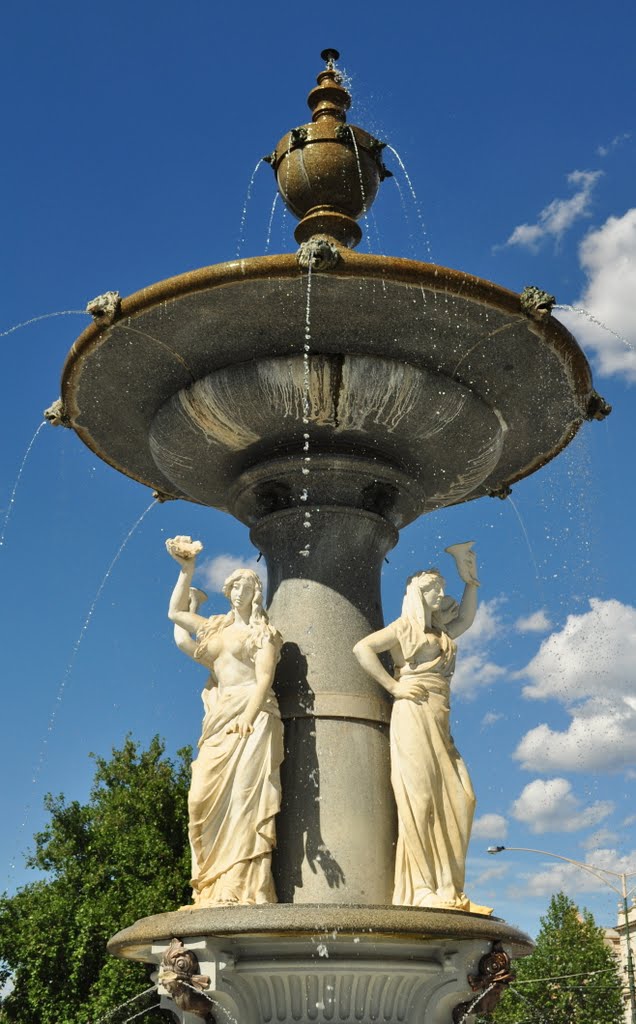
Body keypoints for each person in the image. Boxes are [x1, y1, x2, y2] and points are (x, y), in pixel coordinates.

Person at [353, 543, 492, 915]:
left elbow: (465, 619)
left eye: (442, 588)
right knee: (420, 799)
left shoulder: (443, 631)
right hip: (412, 714)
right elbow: (362, 648)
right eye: (433, 588)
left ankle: (449, 886)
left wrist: (470, 581)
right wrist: (394, 685)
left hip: (438, 718)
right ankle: (421, 888)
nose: (440, 594)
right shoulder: (404, 629)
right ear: (417, 593)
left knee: (461, 799)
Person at [166, 536, 284, 907]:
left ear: (256, 593)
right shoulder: (216, 629)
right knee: (200, 799)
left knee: (246, 801)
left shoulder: (263, 633)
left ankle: (244, 887)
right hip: (220, 720)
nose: (238, 592)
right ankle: (210, 884)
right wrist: (187, 571)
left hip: (254, 715)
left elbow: (264, 678)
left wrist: (249, 718)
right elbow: (175, 615)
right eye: (234, 586)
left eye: (246, 587)